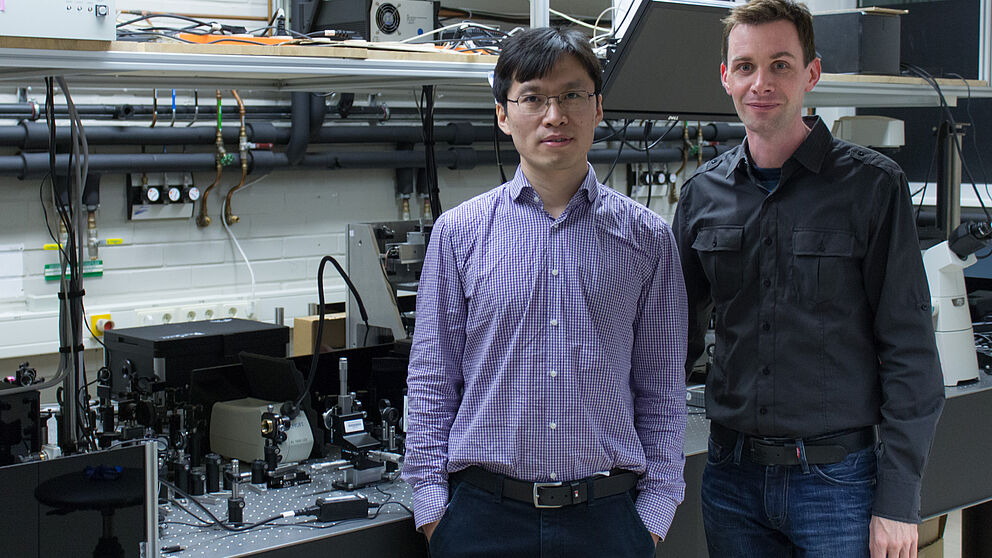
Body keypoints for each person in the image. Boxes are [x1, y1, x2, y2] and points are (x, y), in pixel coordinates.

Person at [402, 26, 688, 558]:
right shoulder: (459, 234)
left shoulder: (647, 238)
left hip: (608, 520)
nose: (554, 115)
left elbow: (663, 390)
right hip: (482, 519)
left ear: (598, 107)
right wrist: (432, 509)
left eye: (572, 96)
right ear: (503, 114)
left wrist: (653, 513)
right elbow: (432, 382)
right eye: (532, 97)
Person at [674, 1, 945, 556]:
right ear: (726, 77)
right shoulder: (702, 194)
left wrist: (897, 500)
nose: (761, 83)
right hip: (730, 480)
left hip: (836, 484)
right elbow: (670, 338)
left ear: (811, 74)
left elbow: (910, 350)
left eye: (780, 64)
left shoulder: (872, 187)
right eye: (745, 66)